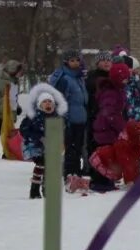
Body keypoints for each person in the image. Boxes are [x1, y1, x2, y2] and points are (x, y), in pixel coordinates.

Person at [19, 83, 68, 198]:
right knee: (41, 163)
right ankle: (34, 189)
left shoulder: (56, 117)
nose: (48, 104)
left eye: (50, 102)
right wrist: (38, 138)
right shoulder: (34, 117)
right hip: (33, 145)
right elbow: (24, 130)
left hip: (49, 147)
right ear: (40, 105)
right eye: (45, 102)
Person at [90, 62, 131, 191]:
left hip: (109, 129)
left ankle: (107, 179)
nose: (126, 82)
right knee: (105, 156)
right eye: (123, 79)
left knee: (110, 155)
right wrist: (120, 125)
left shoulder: (118, 90)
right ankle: (100, 181)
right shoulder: (111, 92)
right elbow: (109, 112)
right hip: (105, 129)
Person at [48, 49, 88, 178]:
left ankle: (76, 170)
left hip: (80, 118)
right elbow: (60, 100)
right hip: (70, 120)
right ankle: (70, 171)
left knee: (78, 147)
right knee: (71, 148)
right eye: (72, 60)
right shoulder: (65, 79)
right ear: (66, 62)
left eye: (77, 60)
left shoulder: (79, 78)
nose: (75, 63)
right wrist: (65, 118)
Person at [90, 119, 140, 189]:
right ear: (137, 135)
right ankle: (93, 183)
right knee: (104, 185)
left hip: (111, 163)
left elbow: (135, 163)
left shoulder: (138, 146)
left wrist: (136, 178)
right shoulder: (125, 144)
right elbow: (126, 163)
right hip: (102, 160)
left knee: (112, 179)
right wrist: (130, 181)